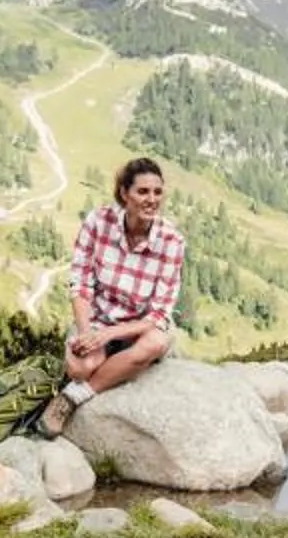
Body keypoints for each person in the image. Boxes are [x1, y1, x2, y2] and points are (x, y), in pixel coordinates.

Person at [26, 157, 185, 438]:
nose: (152, 200)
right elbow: (81, 284)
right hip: (99, 318)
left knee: (155, 343)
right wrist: (88, 333)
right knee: (80, 366)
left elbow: (159, 314)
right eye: (143, 192)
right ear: (124, 193)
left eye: (157, 192)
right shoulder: (98, 222)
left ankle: (70, 399)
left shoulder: (172, 241)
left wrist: (112, 335)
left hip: (138, 327)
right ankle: (89, 375)